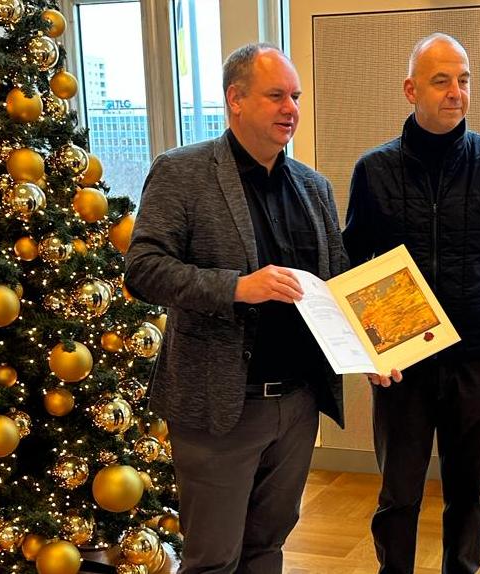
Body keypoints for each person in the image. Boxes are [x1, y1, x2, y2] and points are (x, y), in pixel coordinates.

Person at [125, 43, 347, 574]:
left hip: (297, 404)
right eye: (276, 96)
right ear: (235, 99)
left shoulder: (314, 188)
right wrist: (237, 288)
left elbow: (339, 284)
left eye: (295, 96)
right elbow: (144, 269)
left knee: (267, 548)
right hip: (219, 407)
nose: (290, 108)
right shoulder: (182, 172)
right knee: (213, 560)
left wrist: (373, 349)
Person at [343, 33, 480, 574]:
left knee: (468, 497)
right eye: (441, 81)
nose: (456, 92)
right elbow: (354, 269)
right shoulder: (374, 170)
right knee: (398, 497)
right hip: (401, 367)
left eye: (464, 79)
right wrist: (367, 350)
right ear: (411, 90)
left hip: (477, 361)